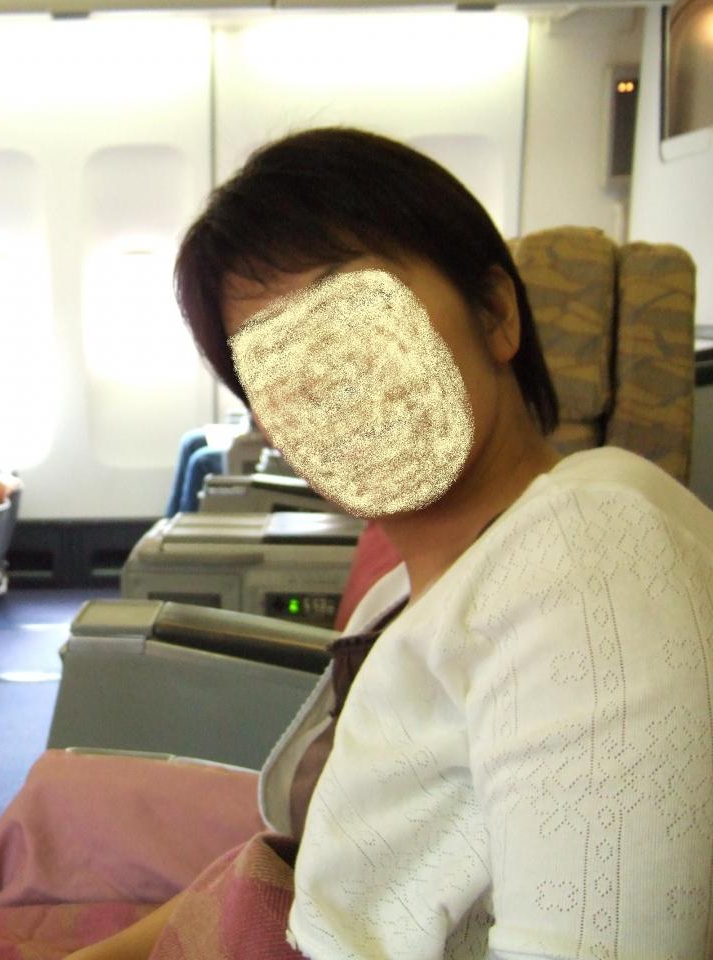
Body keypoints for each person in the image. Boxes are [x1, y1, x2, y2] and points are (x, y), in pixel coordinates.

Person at [68, 127, 713, 958]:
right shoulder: (417, 581)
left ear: (496, 314)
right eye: (276, 369)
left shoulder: (592, 567)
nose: (329, 386)